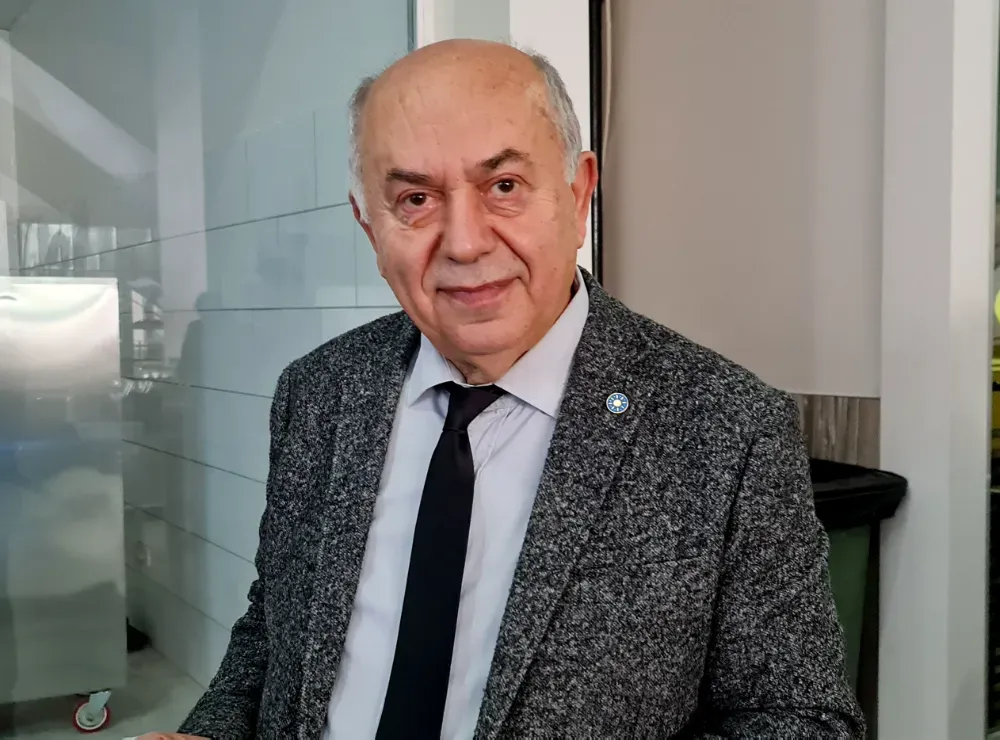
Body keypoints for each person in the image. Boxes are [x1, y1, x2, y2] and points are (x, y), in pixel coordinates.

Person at [142, 40, 864, 739]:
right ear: (369, 227)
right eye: (416, 198)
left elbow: (799, 720)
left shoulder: (728, 429)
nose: (464, 242)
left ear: (578, 194)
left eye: (505, 187)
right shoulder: (318, 393)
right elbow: (273, 631)